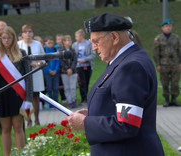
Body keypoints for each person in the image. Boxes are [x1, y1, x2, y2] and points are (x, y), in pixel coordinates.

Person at [66, 13, 164, 156]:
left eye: (96, 41)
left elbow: (127, 124)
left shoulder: (130, 66)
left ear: (114, 37)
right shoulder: (125, 59)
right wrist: (94, 114)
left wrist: (85, 123)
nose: (94, 47)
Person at [0, 26, 33, 156]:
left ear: (13, 38)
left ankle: (21, 154)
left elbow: (28, 78)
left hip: (18, 95)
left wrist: (28, 98)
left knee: (18, 127)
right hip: (2, 96)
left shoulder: (22, 53)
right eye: (4, 38)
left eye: (9, 37)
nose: (6, 40)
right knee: (5, 128)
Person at [18, 24, 45, 126]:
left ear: (33, 33)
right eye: (25, 32)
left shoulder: (37, 44)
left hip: (36, 73)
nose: (28, 34)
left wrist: (37, 63)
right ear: (22, 34)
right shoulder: (18, 44)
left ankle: (37, 119)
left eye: (30, 31)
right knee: (26, 97)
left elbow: (43, 59)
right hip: (23, 75)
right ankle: (28, 120)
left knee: (35, 97)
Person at [153, 18, 181, 107]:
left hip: (175, 63)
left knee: (175, 82)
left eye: (169, 26)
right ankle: (166, 100)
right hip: (163, 63)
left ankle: (174, 99)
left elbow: (180, 51)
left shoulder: (176, 38)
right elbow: (156, 52)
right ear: (162, 28)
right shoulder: (158, 38)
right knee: (164, 82)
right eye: (166, 26)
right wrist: (157, 64)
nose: (168, 28)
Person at [72, 29, 95, 105]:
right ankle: (83, 99)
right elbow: (73, 55)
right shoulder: (74, 45)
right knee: (81, 82)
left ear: (81, 36)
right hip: (79, 67)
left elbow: (93, 55)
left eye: (77, 36)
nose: (75, 38)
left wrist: (85, 59)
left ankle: (87, 98)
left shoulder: (89, 44)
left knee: (87, 82)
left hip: (87, 66)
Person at [59, 35, 78, 108]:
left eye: (70, 40)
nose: (69, 42)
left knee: (73, 87)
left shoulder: (73, 50)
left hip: (73, 72)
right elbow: (61, 61)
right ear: (64, 42)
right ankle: (69, 101)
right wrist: (67, 68)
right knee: (67, 87)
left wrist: (71, 69)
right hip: (65, 72)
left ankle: (73, 100)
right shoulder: (61, 51)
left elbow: (75, 60)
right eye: (67, 40)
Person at [43, 36, 60, 103]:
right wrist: (49, 70)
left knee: (55, 88)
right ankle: (50, 103)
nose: (50, 44)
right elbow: (44, 62)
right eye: (49, 43)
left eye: (52, 43)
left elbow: (57, 61)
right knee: (49, 88)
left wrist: (55, 70)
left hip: (55, 72)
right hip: (47, 72)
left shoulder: (55, 50)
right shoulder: (44, 50)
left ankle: (56, 101)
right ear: (45, 43)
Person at [54, 33, 67, 105]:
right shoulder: (55, 48)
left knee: (64, 83)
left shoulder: (65, 47)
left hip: (64, 67)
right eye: (58, 39)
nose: (60, 41)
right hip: (57, 67)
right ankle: (62, 97)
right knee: (59, 83)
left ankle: (65, 97)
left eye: (61, 39)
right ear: (56, 40)